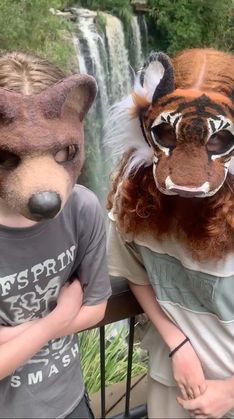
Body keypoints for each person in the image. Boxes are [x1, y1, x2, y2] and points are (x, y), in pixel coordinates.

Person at [106, 48, 234, 418]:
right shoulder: (132, 200)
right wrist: (177, 344)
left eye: (217, 141)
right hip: (173, 380)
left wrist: (230, 391)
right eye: (167, 133)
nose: (187, 174)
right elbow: (136, 276)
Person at [0, 52, 111, 418]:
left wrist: (15, 341)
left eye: (63, 152)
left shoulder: (81, 209)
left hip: (69, 401)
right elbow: (76, 310)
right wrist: (55, 322)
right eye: (6, 158)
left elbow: (95, 306)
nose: (47, 193)